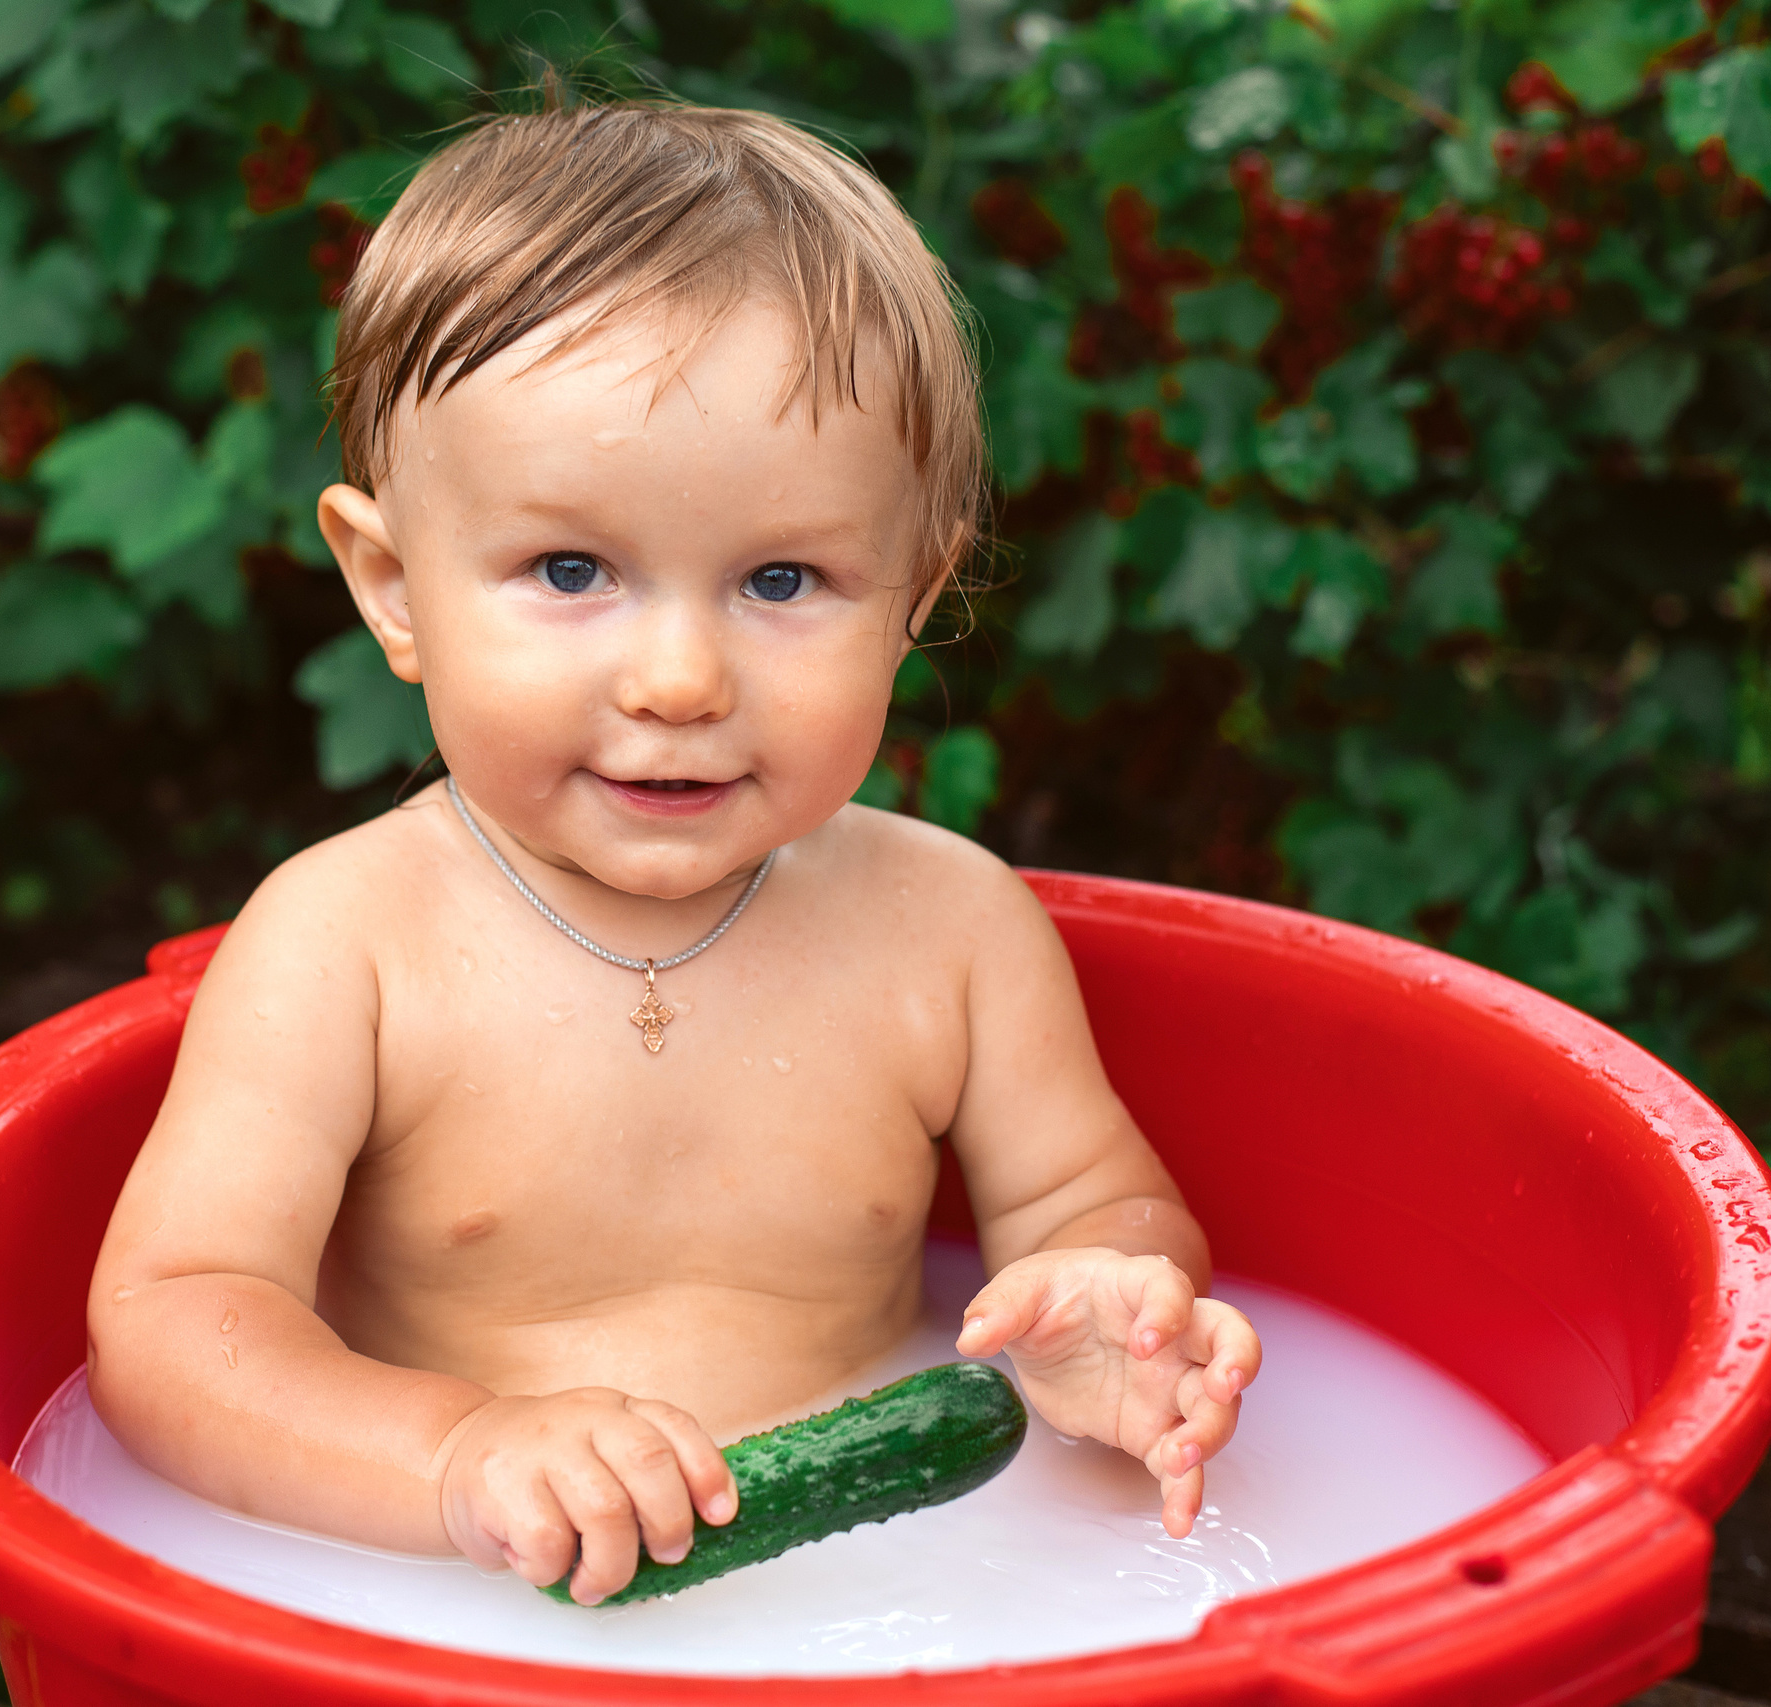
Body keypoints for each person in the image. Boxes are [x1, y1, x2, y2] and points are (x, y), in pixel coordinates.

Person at [86, 98, 1262, 1609]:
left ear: (914, 593)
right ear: (393, 588)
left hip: (892, 1595)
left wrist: (1118, 1306)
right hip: (430, 1616)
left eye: (784, 578)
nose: (681, 679)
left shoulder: (949, 929)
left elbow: (1097, 1208)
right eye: (571, 570)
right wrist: (458, 1459)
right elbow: (177, 1325)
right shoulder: (345, 944)